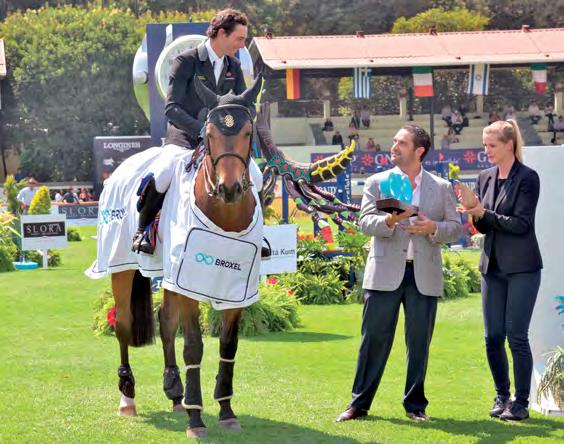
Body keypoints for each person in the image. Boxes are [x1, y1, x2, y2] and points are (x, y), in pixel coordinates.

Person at [336, 125, 462, 423]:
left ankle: (415, 405)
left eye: (401, 142)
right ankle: (358, 404)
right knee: (373, 340)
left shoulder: (441, 187)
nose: (394, 146)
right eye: (394, 141)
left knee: (419, 343)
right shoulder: (378, 182)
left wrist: (433, 227)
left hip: (423, 275)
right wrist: (390, 221)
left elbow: (456, 228)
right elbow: (365, 221)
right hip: (384, 273)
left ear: (419, 150)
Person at [131, 8, 258, 254]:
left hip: (224, 144)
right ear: (221, 34)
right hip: (184, 138)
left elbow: (246, 104)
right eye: (239, 39)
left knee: (257, 175)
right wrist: (201, 129)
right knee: (163, 173)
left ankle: (256, 234)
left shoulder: (233, 65)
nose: (242, 45)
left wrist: (243, 120)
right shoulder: (186, 61)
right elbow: (171, 108)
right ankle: (143, 229)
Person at [455, 120, 542, 422]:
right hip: (491, 266)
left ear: (509, 144)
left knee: (516, 336)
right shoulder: (484, 177)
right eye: (484, 145)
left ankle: (521, 402)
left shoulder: (528, 178)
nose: (486, 150)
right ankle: (501, 395)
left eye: (492, 145)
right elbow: (483, 227)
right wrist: (473, 211)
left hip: (522, 268)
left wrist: (483, 212)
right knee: (493, 337)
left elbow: (521, 225)